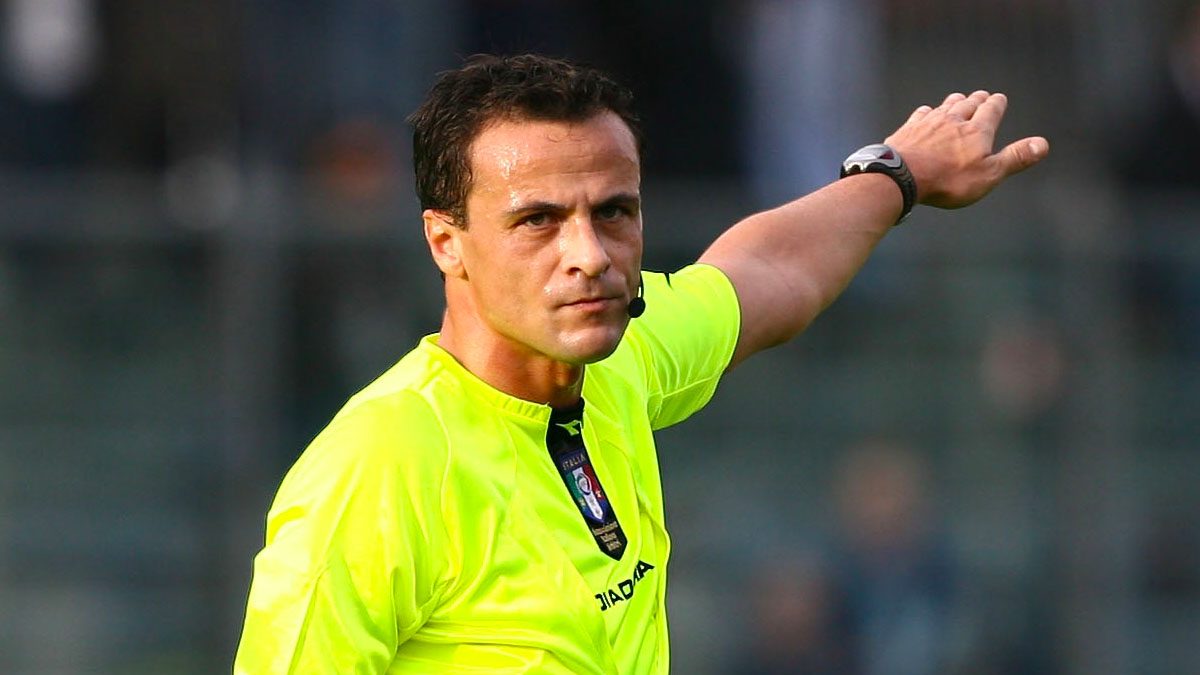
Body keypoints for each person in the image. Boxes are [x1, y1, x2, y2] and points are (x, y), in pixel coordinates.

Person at [233, 53, 1048, 673]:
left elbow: (766, 273)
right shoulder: (379, 465)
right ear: (447, 241)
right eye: (538, 220)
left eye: (614, 211)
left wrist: (896, 174)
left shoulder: (621, 353)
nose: (589, 254)